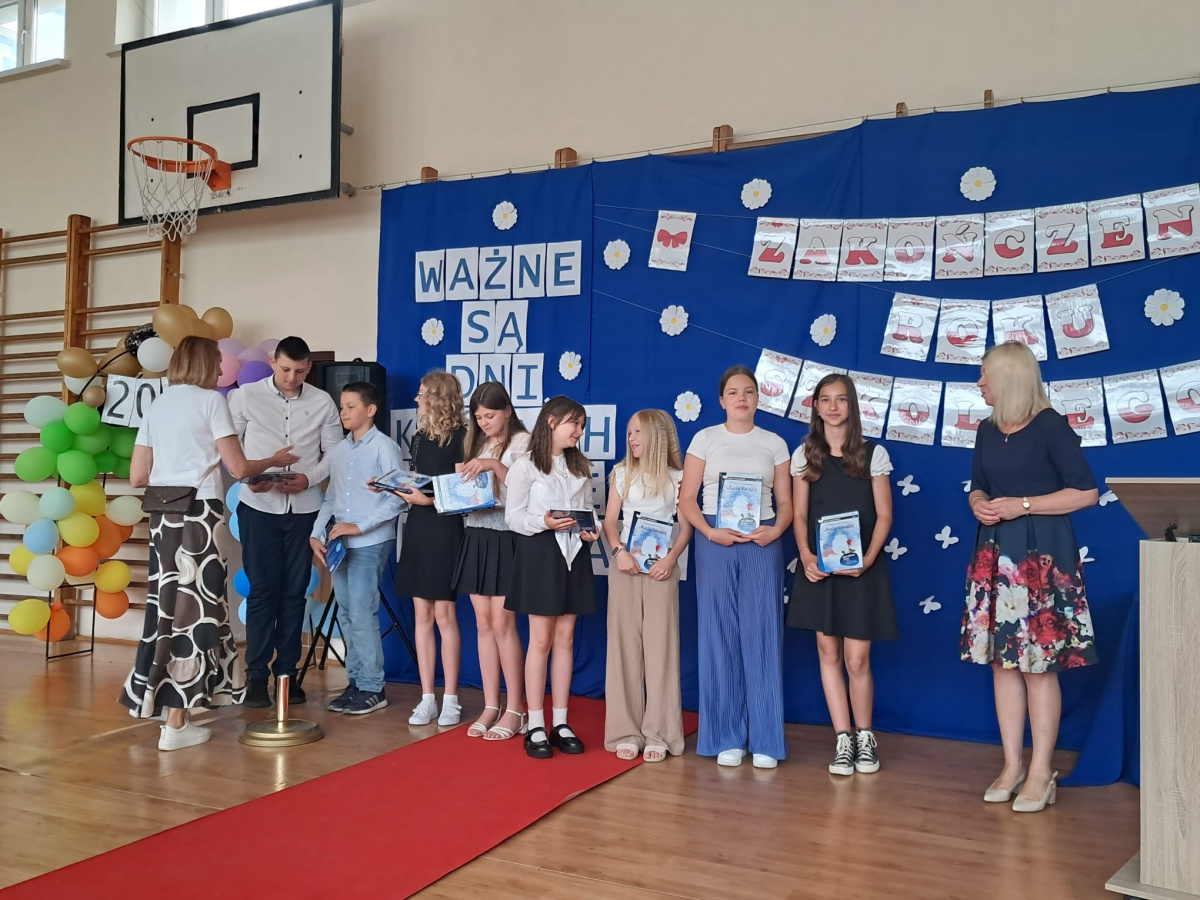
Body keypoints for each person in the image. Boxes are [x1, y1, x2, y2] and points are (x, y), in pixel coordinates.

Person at [121, 336, 299, 750]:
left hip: (163, 517)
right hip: (201, 514)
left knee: (167, 605)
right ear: (204, 363)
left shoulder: (157, 405)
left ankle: (162, 705)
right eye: (216, 362)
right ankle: (176, 722)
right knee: (198, 608)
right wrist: (274, 460)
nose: (221, 370)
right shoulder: (210, 402)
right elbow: (238, 467)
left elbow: (137, 477)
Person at [964, 341, 1099, 813]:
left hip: (1042, 555)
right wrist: (978, 503)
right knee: (1003, 665)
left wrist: (1022, 505)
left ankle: (1042, 772)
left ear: (1009, 378)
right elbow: (979, 485)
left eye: (985, 374)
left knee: (1038, 667)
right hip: (996, 555)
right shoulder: (986, 429)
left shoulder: (1050, 426)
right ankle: (1011, 766)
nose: (979, 382)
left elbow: (1086, 493)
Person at [679, 365, 792, 769]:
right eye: (733, 392)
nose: (741, 398)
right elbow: (687, 499)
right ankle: (726, 735)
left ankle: (765, 740)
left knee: (762, 635)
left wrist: (775, 529)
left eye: (748, 391)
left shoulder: (775, 443)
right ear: (722, 400)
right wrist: (711, 532)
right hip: (715, 540)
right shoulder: (705, 439)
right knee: (719, 632)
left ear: (759, 399)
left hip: (763, 539)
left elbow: (786, 503)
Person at [790, 374, 898, 777]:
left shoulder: (874, 454)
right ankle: (843, 739)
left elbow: (884, 515)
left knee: (857, 659)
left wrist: (867, 559)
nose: (833, 407)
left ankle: (865, 736)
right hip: (820, 569)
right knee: (828, 654)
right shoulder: (805, 455)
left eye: (840, 400)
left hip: (860, 569)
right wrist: (806, 555)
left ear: (852, 405)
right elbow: (799, 514)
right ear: (816, 407)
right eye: (825, 400)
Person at [229, 336, 343, 708]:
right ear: (272, 362)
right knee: (262, 592)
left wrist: (310, 479)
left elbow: (334, 451)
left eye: (300, 371)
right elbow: (230, 449)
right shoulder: (246, 396)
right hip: (258, 506)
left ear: (309, 368)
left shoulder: (322, 401)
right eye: (285, 369)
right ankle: (256, 678)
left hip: (304, 508)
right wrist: (249, 478)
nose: (292, 377)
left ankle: (287, 676)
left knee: (295, 593)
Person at [504, 396, 598, 759]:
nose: (578, 431)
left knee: (566, 638)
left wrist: (591, 530)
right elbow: (513, 517)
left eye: (582, 426)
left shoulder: (580, 467)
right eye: (574, 423)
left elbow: (586, 511)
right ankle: (535, 723)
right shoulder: (525, 465)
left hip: (574, 554)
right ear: (552, 422)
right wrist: (542, 522)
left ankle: (561, 721)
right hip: (540, 553)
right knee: (540, 639)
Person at [602, 409, 692, 763]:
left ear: (657, 434)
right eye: (629, 432)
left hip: (661, 570)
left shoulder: (678, 478)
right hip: (625, 567)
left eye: (638, 432)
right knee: (623, 647)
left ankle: (660, 733)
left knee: (661, 649)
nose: (632, 438)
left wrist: (671, 559)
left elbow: (686, 527)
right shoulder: (621, 474)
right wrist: (619, 552)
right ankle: (625, 731)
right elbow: (610, 521)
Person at [310, 382, 405, 715]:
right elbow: (332, 497)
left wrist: (360, 526)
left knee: (363, 613)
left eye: (351, 406)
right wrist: (316, 533)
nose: (344, 412)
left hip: (370, 541)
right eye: (342, 406)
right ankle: (356, 681)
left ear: (370, 410)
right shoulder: (339, 451)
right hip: (339, 543)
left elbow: (398, 499)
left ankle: (373, 687)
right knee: (347, 613)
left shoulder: (384, 447)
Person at [450, 382, 531, 741]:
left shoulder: (524, 443)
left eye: (490, 415)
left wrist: (495, 465)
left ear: (508, 411)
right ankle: (490, 704)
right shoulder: (476, 443)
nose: (484, 422)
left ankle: (516, 708)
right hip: (477, 534)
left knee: (503, 624)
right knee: (483, 624)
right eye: (479, 417)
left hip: (507, 537)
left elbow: (526, 493)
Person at [393, 371, 468, 727]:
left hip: (445, 528)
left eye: (422, 394)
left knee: (444, 616)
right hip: (418, 528)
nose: (417, 400)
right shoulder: (420, 437)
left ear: (439, 398)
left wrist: (427, 500)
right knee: (421, 614)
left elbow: (464, 494)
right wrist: (393, 485)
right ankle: (427, 698)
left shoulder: (463, 438)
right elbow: (419, 480)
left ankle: (451, 698)